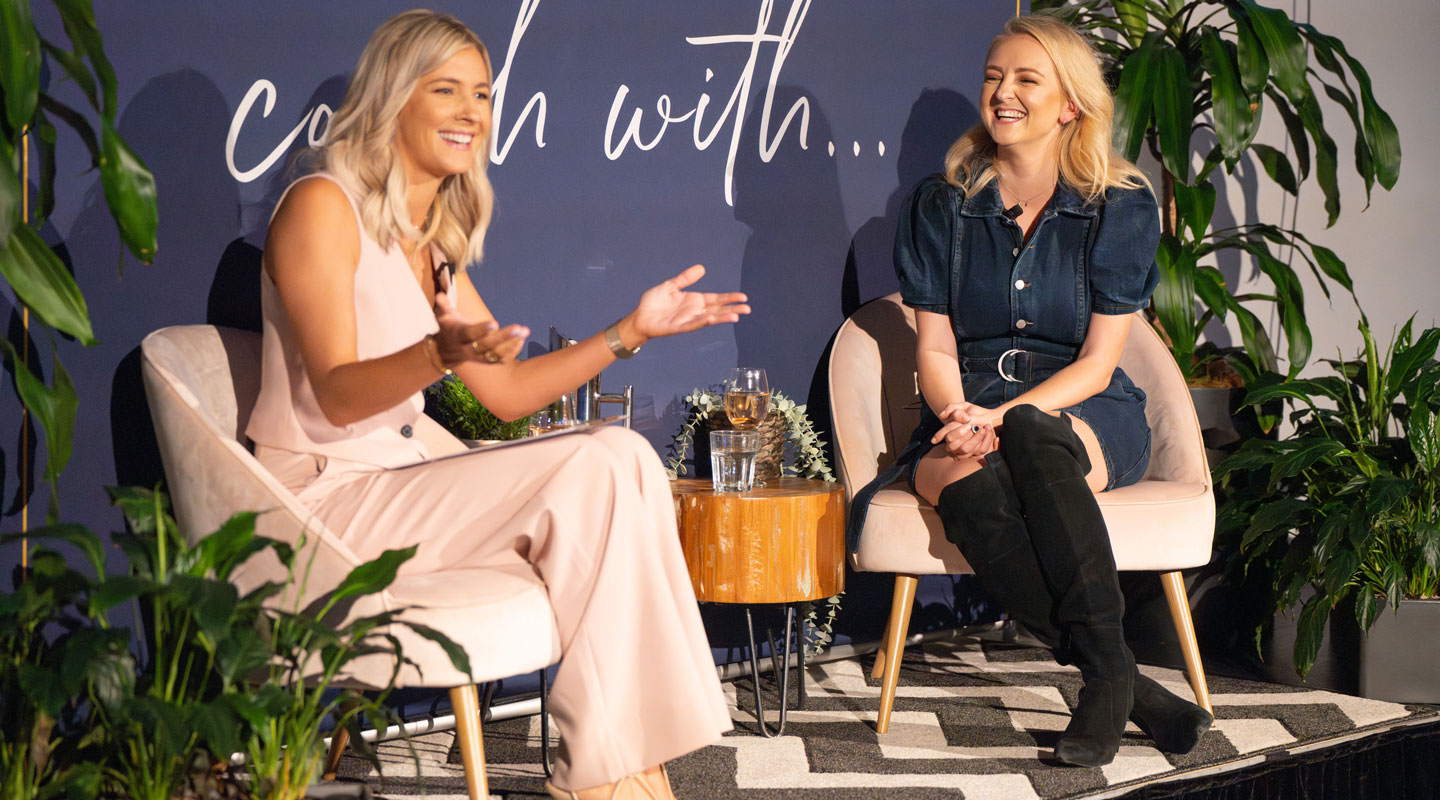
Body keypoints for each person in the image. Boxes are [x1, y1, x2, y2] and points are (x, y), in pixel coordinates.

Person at [245, 10, 748, 799]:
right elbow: (338, 395)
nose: (471, 112)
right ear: (391, 96)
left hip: (399, 481)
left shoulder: (429, 240)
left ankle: (625, 767)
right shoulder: (321, 206)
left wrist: (631, 331)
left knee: (621, 452)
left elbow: (507, 395)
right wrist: (432, 355)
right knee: (600, 462)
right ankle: (611, 776)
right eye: (445, 89)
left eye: (481, 93)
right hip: (321, 503)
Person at [885, 15, 1212, 767]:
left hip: (1086, 409)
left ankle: (1106, 683)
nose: (1003, 93)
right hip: (963, 406)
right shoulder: (943, 205)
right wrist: (961, 416)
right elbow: (932, 344)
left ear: (1069, 103)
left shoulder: (1117, 205)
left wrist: (1005, 415)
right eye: (995, 76)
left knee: (1033, 429)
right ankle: (1119, 679)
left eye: (1026, 80)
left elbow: (1100, 364)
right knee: (966, 491)